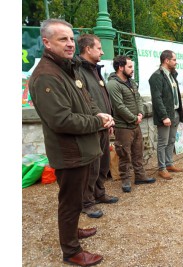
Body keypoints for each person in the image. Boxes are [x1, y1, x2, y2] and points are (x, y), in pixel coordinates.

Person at [28, 19, 113, 266]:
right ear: (46, 42)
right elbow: (61, 121)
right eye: (62, 39)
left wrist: (98, 114)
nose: (69, 44)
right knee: (69, 202)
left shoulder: (65, 68)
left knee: (74, 199)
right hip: (70, 152)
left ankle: (72, 232)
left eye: (71, 39)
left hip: (81, 149)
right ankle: (71, 251)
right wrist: (98, 123)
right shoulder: (46, 76)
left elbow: (85, 101)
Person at [76, 34, 119, 218]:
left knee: (102, 165)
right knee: (91, 168)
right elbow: (85, 101)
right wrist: (99, 120)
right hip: (92, 126)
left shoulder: (94, 69)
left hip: (102, 125)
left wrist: (109, 120)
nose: (102, 51)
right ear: (88, 49)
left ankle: (99, 193)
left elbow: (102, 98)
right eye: (99, 48)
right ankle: (87, 202)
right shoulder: (78, 70)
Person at [107, 55, 156, 192]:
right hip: (123, 127)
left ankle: (140, 176)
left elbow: (138, 99)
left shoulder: (131, 82)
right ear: (120, 67)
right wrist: (133, 118)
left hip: (136, 124)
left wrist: (140, 113)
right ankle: (126, 180)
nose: (132, 70)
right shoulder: (113, 84)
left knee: (137, 151)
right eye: (129, 67)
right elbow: (118, 106)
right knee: (124, 154)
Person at [149, 50, 183, 179]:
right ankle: (162, 168)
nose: (176, 62)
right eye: (174, 60)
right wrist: (164, 116)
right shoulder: (156, 76)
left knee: (171, 140)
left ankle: (169, 163)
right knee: (163, 142)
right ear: (166, 60)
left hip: (174, 112)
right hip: (165, 115)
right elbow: (157, 99)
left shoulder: (171, 74)